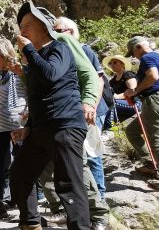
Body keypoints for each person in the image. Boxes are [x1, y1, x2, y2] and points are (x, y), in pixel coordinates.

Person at [9, 1, 90, 230]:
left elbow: (52, 75)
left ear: (44, 27)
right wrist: (29, 126)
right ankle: (31, 224)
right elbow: (38, 96)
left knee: (69, 185)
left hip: (65, 126)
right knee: (20, 175)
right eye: (21, 26)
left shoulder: (59, 48)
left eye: (27, 25)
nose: (21, 31)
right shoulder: (36, 58)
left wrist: (28, 50)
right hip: (41, 129)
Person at [54, 17, 110, 198]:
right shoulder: (61, 53)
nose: (55, 34)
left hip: (91, 108)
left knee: (92, 152)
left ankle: (100, 197)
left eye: (59, 31)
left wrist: (91, 105)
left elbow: (98, 79)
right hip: (74, 109)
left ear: (70, 32)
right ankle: (85, 197)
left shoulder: (84, 49)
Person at [123, 36, 159, 193]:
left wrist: (134, 91)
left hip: (155, 102)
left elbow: (153, 76)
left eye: (133, 53)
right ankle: (150, 164)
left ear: (139, 47)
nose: (134, 57)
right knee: (132, 131)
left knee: (156, 143)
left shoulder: (147, 57)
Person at [0, 39, 27, 218]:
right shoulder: (1, 76)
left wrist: (28, 113)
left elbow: (31, 93)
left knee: (20, 163)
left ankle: (23, 201)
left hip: (19, 125)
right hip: (1, 125)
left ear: (4, 55)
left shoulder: (19, 71)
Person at [102, 54, 140, 129]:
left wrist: (118, 96)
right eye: (110, 63)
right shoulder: (112, 81)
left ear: (122, 64)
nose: (112, 65)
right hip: (120, 103)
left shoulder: (128, 74)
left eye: (115, 62)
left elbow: (133, 89)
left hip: (134, 103)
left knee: (112, 102)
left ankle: (108, 128)